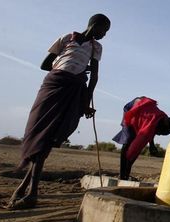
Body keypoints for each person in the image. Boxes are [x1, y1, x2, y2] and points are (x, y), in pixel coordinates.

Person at [6, 13, 111, 210]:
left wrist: (85, 101)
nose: (104, 35)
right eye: (104, 30)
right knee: (38, 134)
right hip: (53, 86)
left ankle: (30, 193)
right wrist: (67, 66)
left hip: (73, 93)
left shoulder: (96, 48)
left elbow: (94, 77)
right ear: (95, 25)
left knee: (49, 139)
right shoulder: (67, 38)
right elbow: (45, 64)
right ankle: (26, 191)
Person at [112, 96, 170, 180]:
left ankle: (125, 174)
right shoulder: (154, 123)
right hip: (132, 108)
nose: (157, 134)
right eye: (159, 133)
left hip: (141, 106)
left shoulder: (160, 118)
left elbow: (151, 131)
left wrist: (152, 145)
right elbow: (134, 150)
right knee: (128, 142)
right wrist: (128, 165)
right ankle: (123, 175)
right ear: (161, 127)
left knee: (132, 145)